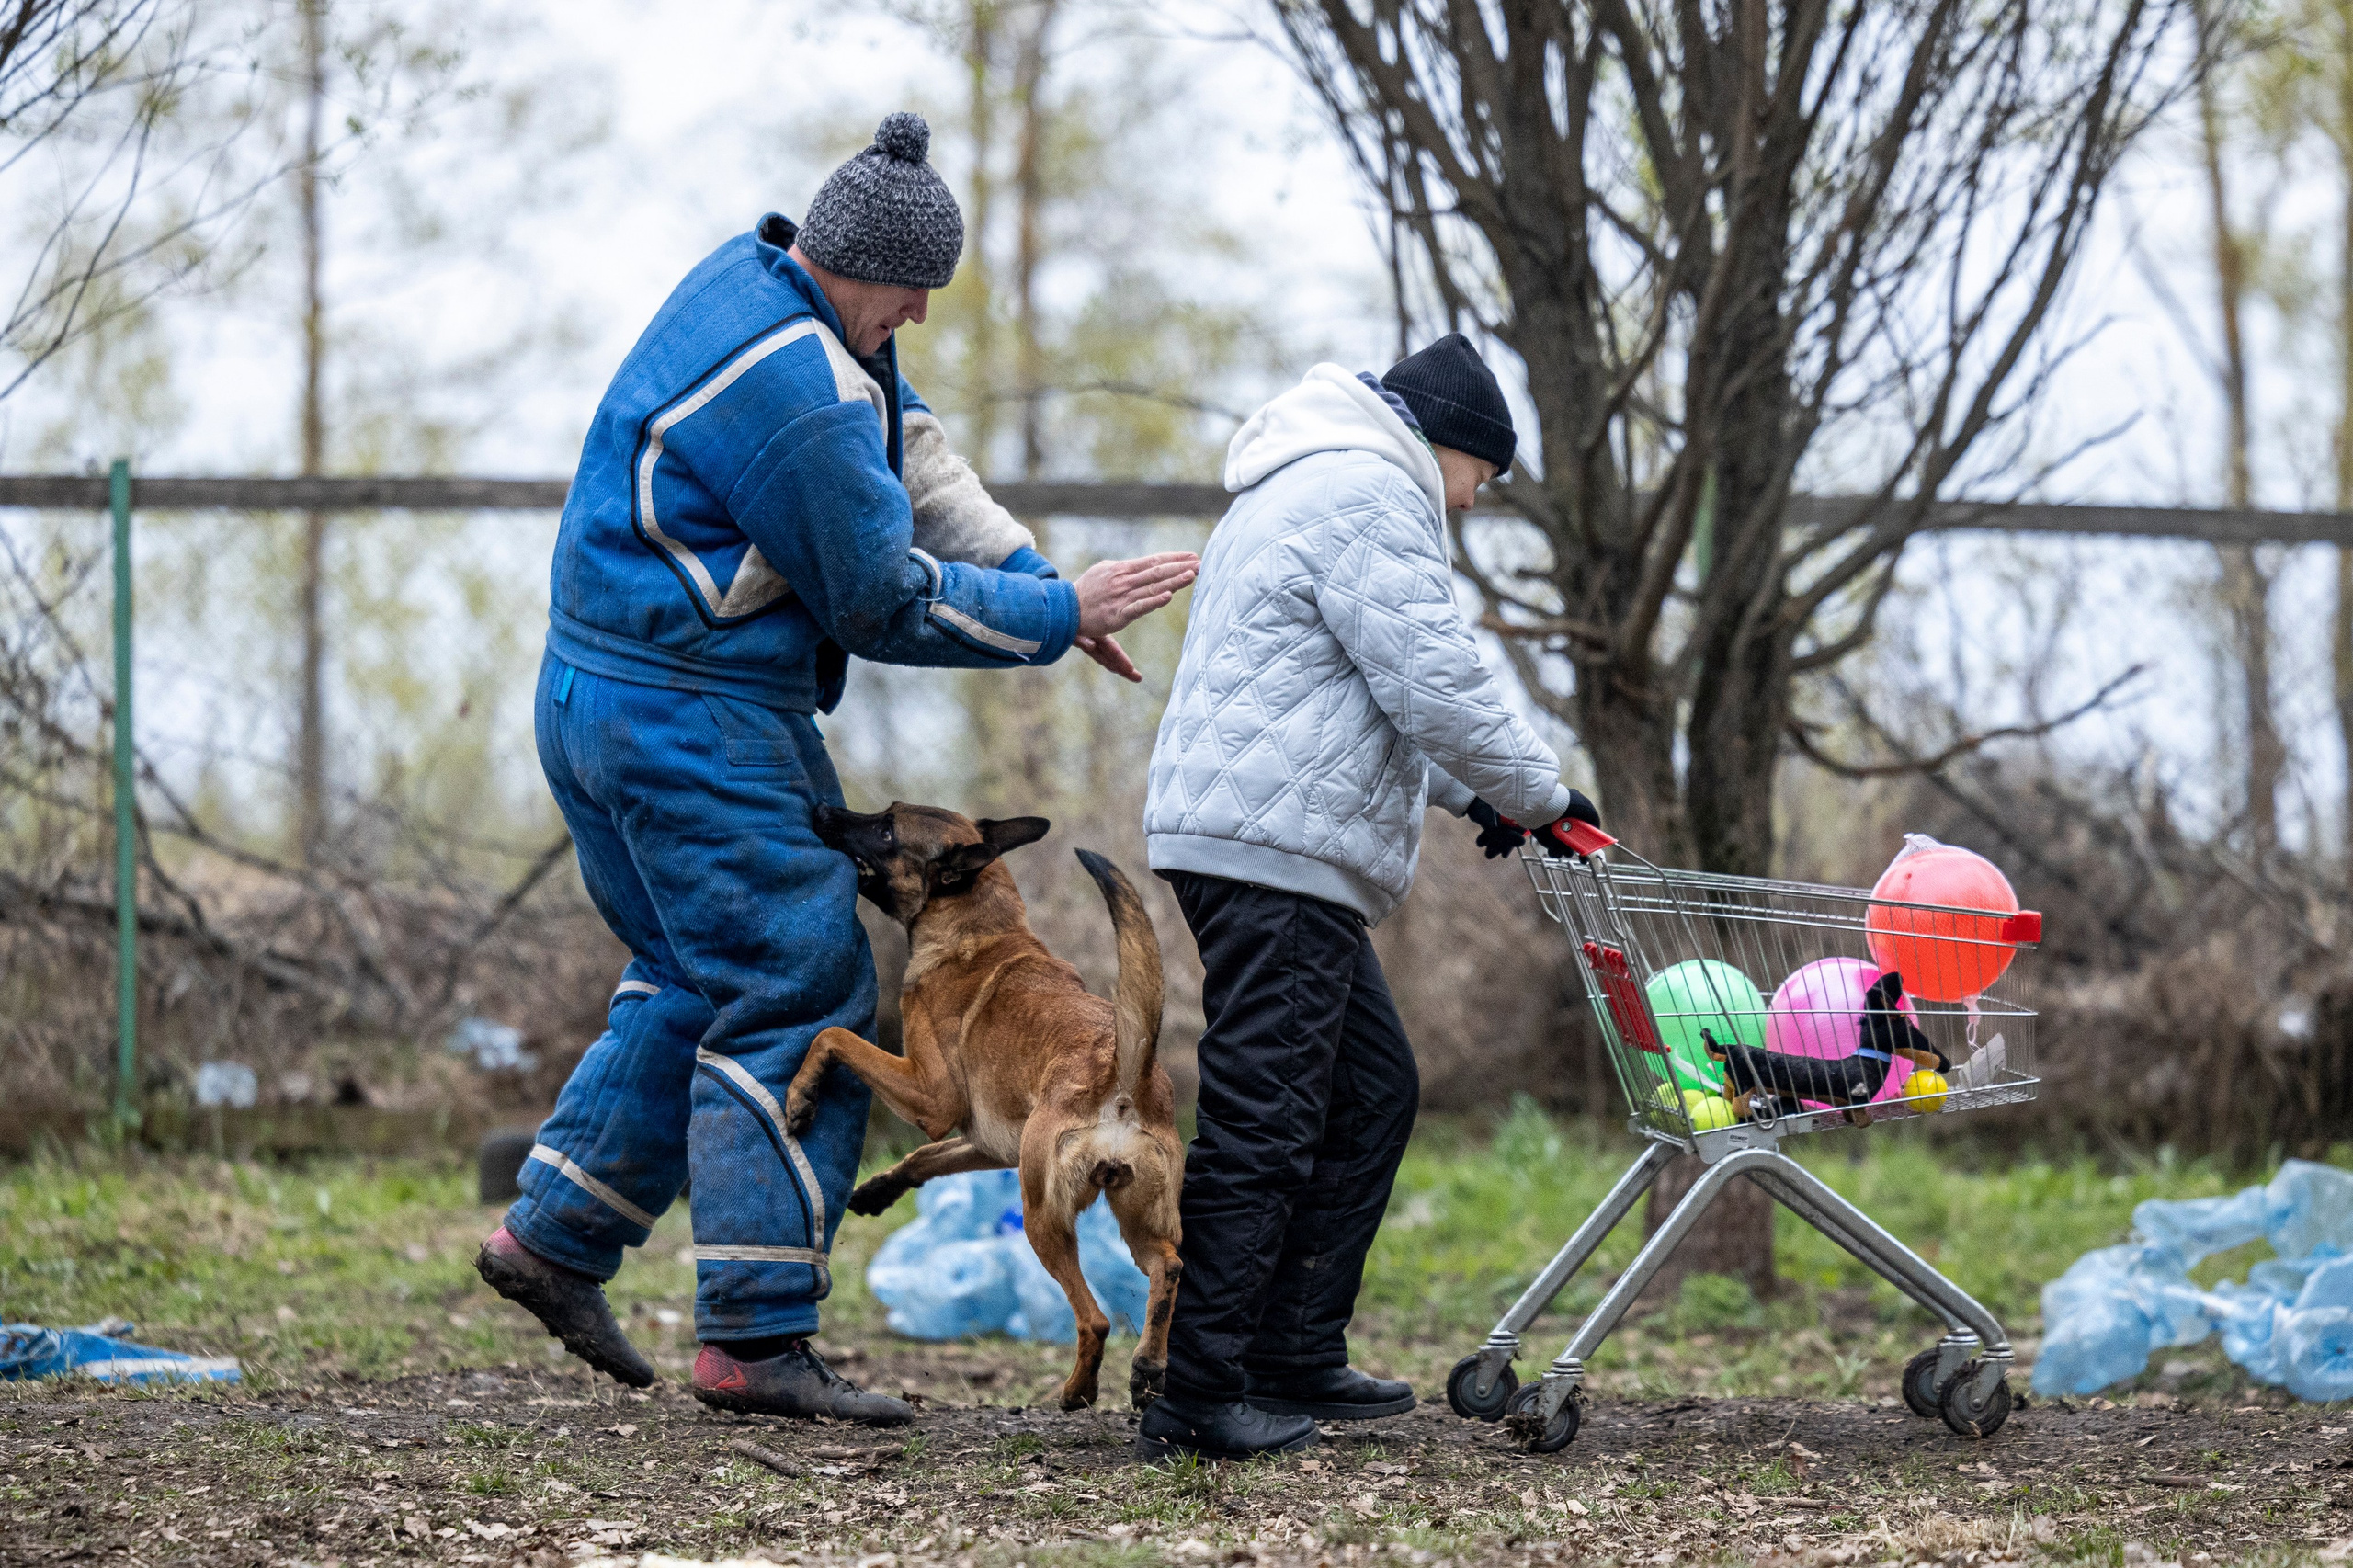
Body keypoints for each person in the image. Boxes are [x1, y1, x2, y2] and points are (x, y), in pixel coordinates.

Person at [476, 111, 1197, 1426]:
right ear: (857, 261)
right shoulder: (794, 389)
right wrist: (1048, 619)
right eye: (914, 289)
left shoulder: (763, 293)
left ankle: (555, 1234)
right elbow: (874, 597)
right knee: (797, 977)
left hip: (598, 694)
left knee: (696, 970)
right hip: (691, 713)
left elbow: (910, 455)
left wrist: (1048, 586)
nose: (919, 314)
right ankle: (756, 1339)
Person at [1137, 335, 1598, 1460]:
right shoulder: (1366, 485)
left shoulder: (1319, 477)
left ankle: (1292, 1347)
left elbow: (1361, 691)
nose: (1476, 501)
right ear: (1450, 444)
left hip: (1265, 838)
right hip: (1270, 849)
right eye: (1483, 477)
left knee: (1370, 1092)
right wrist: (1539, 793)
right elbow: (1435, 678)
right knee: (1269, 1114)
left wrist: (1478, 800)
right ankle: (1199, 1390)